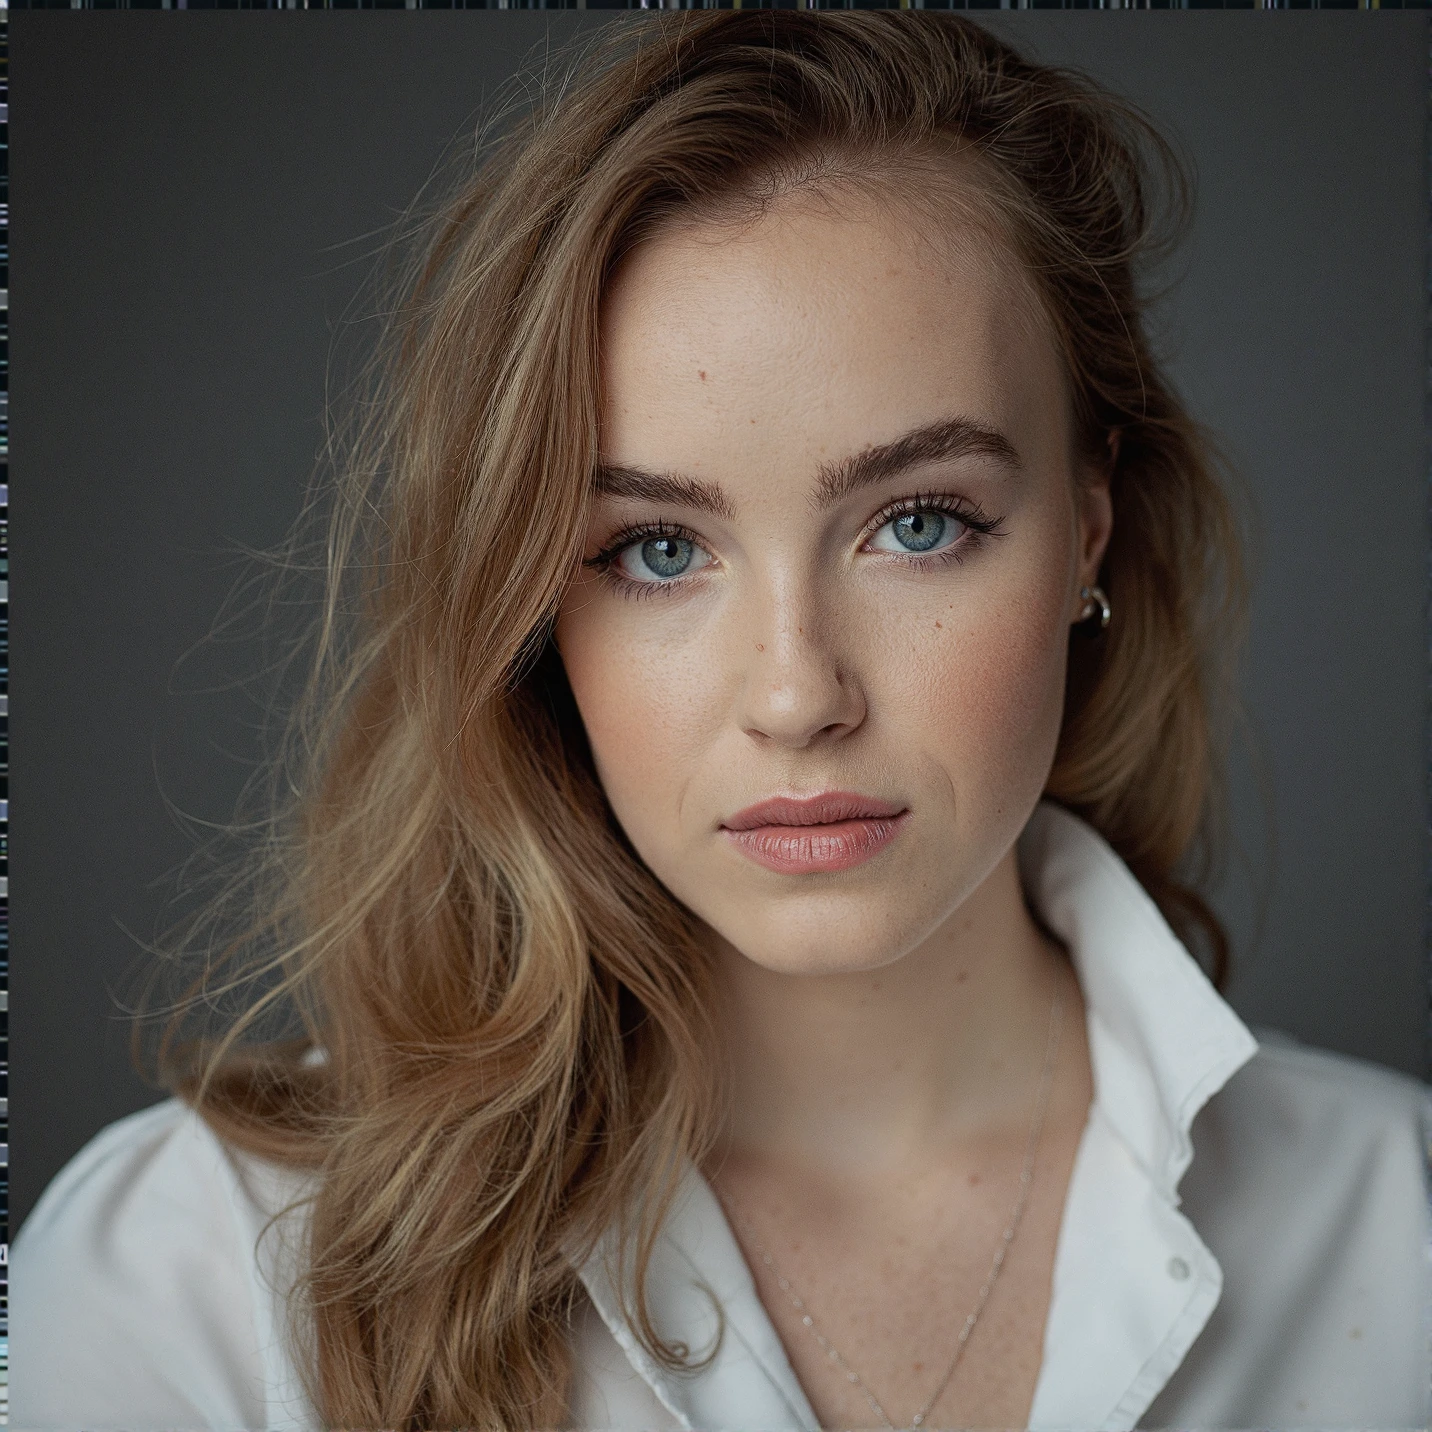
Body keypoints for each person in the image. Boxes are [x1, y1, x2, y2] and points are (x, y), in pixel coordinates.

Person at [14, 11, 1430, 1431]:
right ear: (527, 605)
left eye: (919, 522)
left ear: (1087, 531)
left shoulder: (1395, 1230)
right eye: (657, 550)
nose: (797, 694)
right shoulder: (200, 1279)